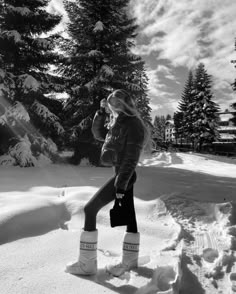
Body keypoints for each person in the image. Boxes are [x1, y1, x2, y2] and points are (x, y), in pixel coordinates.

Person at [65, 89, 147, 277]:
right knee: (129, 215)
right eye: (111, 104)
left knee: (90, 209)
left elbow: (131, 157)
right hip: (122, 175)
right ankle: (130, 261)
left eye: (116, 103)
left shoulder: (133, 124)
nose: (113, 107)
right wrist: (100, 114)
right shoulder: (117, 123)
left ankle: (87, 264)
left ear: (125, 104)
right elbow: (99, 134)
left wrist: (120, 184)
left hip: (124, 175)